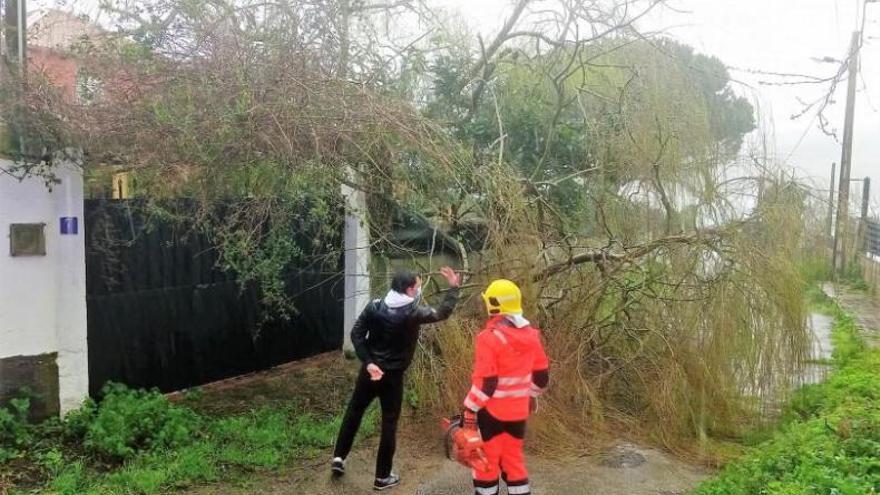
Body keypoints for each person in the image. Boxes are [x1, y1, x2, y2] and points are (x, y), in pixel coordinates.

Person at [332, 266, 461, 491]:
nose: (420, 289)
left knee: (354, 412)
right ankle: (382, 477)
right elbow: (442, 312)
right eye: (418, 286)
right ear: (410, 290)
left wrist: (369, 362)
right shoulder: (413, 314)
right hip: (393, 378)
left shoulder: (375, 306)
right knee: (389, 424)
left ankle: (338, 458)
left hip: (370, 372)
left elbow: (356, 335)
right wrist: (453, 287)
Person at [461, 279, 549, 495]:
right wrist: (529, 396)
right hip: (518, 412)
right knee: (513, 461)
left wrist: (470, 407)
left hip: (491, 414)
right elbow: (542, 378)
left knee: (487, 462)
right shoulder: (532, 336)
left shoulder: (488, 338)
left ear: (493, 304)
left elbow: (486, 384)